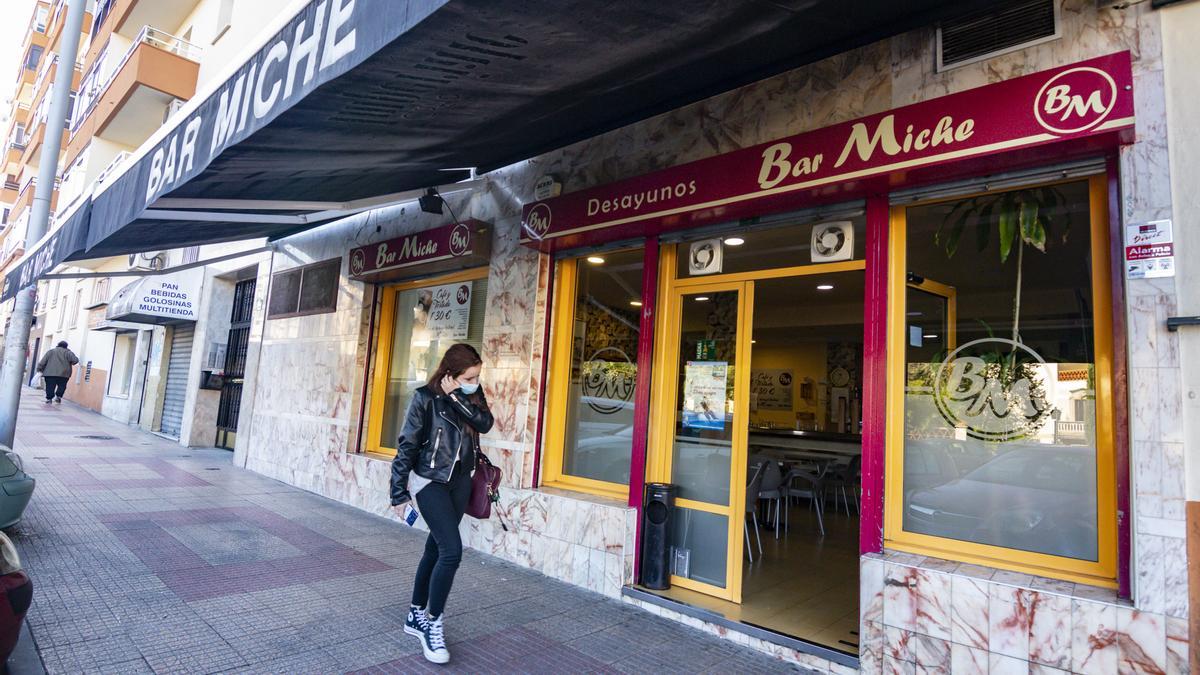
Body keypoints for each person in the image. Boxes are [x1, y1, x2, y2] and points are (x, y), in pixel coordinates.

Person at [390, 343, 493, 664]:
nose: (475, 381)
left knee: (435, 548)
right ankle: (432, 623)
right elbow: (407, 445)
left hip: (461, 482)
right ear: (451, 374)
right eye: (469, 376)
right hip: (430, 481)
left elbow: (485, 423)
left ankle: (415, 614)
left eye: (477, 376)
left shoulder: (470, 394)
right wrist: (398, 493)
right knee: (451, 551)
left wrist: (457, 396)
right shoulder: (423, 398)